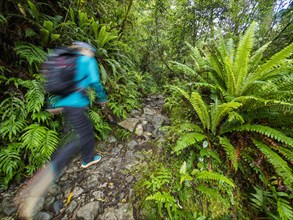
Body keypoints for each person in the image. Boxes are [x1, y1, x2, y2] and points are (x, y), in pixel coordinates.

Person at [15, 41, 109, 219]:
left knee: (74, 134)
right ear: (87, 50)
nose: (92, 54)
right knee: (80, 137)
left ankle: (84, 159)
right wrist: (102, 99)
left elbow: (57, 83)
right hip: (77, 104)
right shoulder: (87, 61)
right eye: (92, 52)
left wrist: (53, 104)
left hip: (64, 103)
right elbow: (95, 82)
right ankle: (42, 180)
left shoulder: (68, 59)